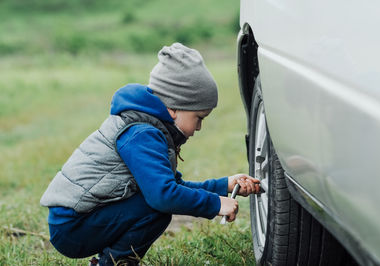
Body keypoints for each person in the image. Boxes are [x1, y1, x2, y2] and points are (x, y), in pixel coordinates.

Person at [40, 43, 260, 265]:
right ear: (173, 108)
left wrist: (225, 186)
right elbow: (163, 196)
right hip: (72, 226)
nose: (199, 128)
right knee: (156, 208)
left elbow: (173, 187)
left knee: (157, 202)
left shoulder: (150, 127)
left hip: (82, 219)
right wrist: (215, 204)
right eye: (199, 118)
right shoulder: (142, 134)